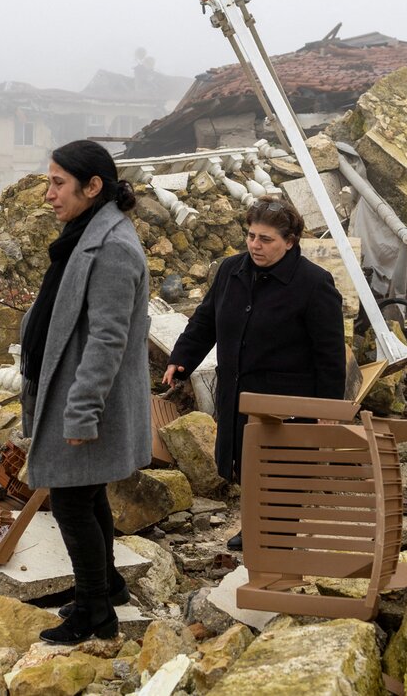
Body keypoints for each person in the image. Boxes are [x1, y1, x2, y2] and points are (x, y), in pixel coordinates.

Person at [20, 139, 151, 645]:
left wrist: (81, 413)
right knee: (86, 489)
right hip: (69, 384)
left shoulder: (113, 247)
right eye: (48, 181)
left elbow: (108, 338)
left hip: (83, 395)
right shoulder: (86, 232)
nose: (48, 194)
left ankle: (95, 611)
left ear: (92, 187)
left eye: (58, 183)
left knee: (71, 501)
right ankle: (109, 584)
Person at [162, 198, 345, 550]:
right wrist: (182, 357)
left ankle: (277, 540)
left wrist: (327, 410)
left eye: (266, 239)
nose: (255, 245)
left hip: (287, 400)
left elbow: (330, 353)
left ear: (289, 241)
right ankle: (254, 528)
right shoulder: (232, 271)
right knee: (245, 463)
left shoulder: (313, 283)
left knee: (281, 471)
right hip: (238, 392)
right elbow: (205, 320)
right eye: (251, 236)